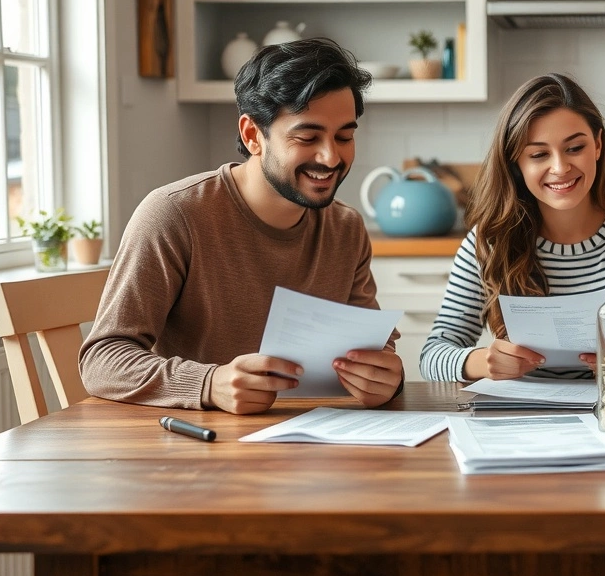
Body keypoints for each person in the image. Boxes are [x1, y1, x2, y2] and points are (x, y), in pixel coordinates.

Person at [80, 37, 402, 414]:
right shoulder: (174, 215)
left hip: (312, 436)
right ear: (252, 135)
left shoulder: (346, 227)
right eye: (307, 137)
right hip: (199, 440)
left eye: (344, 136)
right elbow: (102, 360)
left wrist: (385, 379)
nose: (331, 157)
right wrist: (208, 383)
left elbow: (375, 348)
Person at [420, 73, 605, 382]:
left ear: (597, 145)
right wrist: (482, 362)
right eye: (539, 154)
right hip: (520, 408)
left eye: (575, 148)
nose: (560, 167)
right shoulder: (490, 240)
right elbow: (431, 357)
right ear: (516, 163)